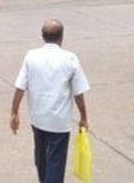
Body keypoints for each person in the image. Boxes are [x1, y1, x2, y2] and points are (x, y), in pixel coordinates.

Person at [10, 19, 90, 183]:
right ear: (61, 37)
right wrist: (83, 117)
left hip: (37, 118)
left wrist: (14, 112)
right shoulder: (70, 59)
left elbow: (20, 87)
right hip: (59, 123)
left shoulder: (31, 56)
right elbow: (78, 93)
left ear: (43, 37)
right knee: (55, 162)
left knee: (41, 158)